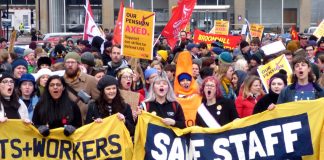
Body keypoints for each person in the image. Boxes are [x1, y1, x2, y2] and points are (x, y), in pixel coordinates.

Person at [63, 52, 100, 122]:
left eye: (73, 62)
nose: (70, 65)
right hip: (66, 122)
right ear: (64, 64)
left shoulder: (90, 80)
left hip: (84, 124)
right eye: (68, 62)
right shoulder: (60, 82)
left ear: (79, 64)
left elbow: (99, 101)